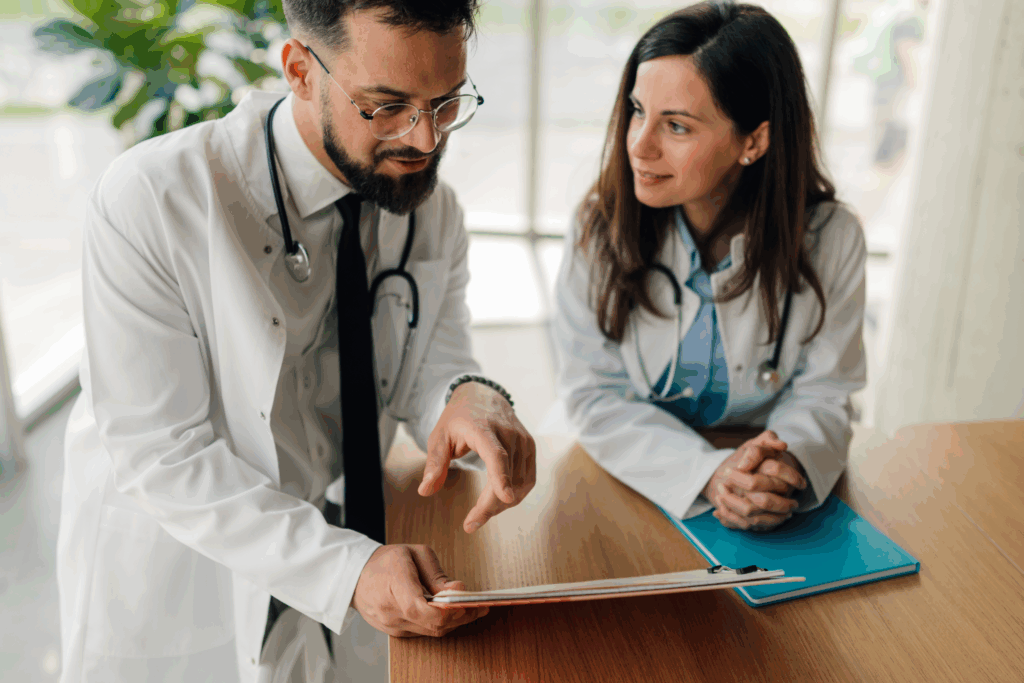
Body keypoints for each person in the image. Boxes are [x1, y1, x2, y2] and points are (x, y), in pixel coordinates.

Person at [56, 1, 537, 681]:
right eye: (386, 105)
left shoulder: (431, 208)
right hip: (189, 568)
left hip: (344, 532)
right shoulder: (154, 200)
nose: (425, 140)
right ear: (300, 71)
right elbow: (162, 450)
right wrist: (344, 566)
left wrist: (468, 397)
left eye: (447, 102)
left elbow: (437, 352)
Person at [552, 1, 866, 533]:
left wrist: (782, 465)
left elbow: (825, 393)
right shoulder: (598, 228)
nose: (638, 145)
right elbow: (595, 394)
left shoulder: (831, 239)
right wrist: (709, 473)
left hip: (758, 483)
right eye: (636, 110)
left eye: (675, 125)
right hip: (629, 480)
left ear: (754, 141)